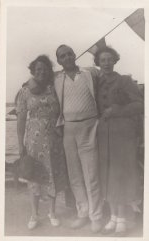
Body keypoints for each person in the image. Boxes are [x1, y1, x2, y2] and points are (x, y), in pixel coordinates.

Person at [94, 47, 143, 236]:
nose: (106, 62)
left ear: (115, 61)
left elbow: (139, 104)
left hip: (123, 134)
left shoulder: (124, 80)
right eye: (102, 60)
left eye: (109, 59)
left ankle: (122, 218)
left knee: (120, 174)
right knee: (107, 174)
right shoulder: (97, 82)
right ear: (98, 63)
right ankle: (113, 217)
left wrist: (117, 111)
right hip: (104, 134)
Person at [54, 45, 103, 233]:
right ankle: (83, 212)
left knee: (91, 174)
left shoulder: (90, 73)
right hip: (68, 128)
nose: (67, 57)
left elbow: (106, 80)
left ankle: (96, 216)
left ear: (74, 55)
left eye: (69, 54)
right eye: (62, 56)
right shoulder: (57, 79)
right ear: (58, 61)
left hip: (90, 125)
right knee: (75, 175)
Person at [16, 55, 68, 230]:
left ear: (49, 71)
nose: (41, 72)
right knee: (34, 177)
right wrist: (20, 144)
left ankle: (52, 212)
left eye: (45, 69)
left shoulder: (54, 88)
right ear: (32, 71)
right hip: (33, 140)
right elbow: (21, 120)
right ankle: (34, 214)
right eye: (38, 69)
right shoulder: (25, 91)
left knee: (53, 175)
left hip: (54, 138)